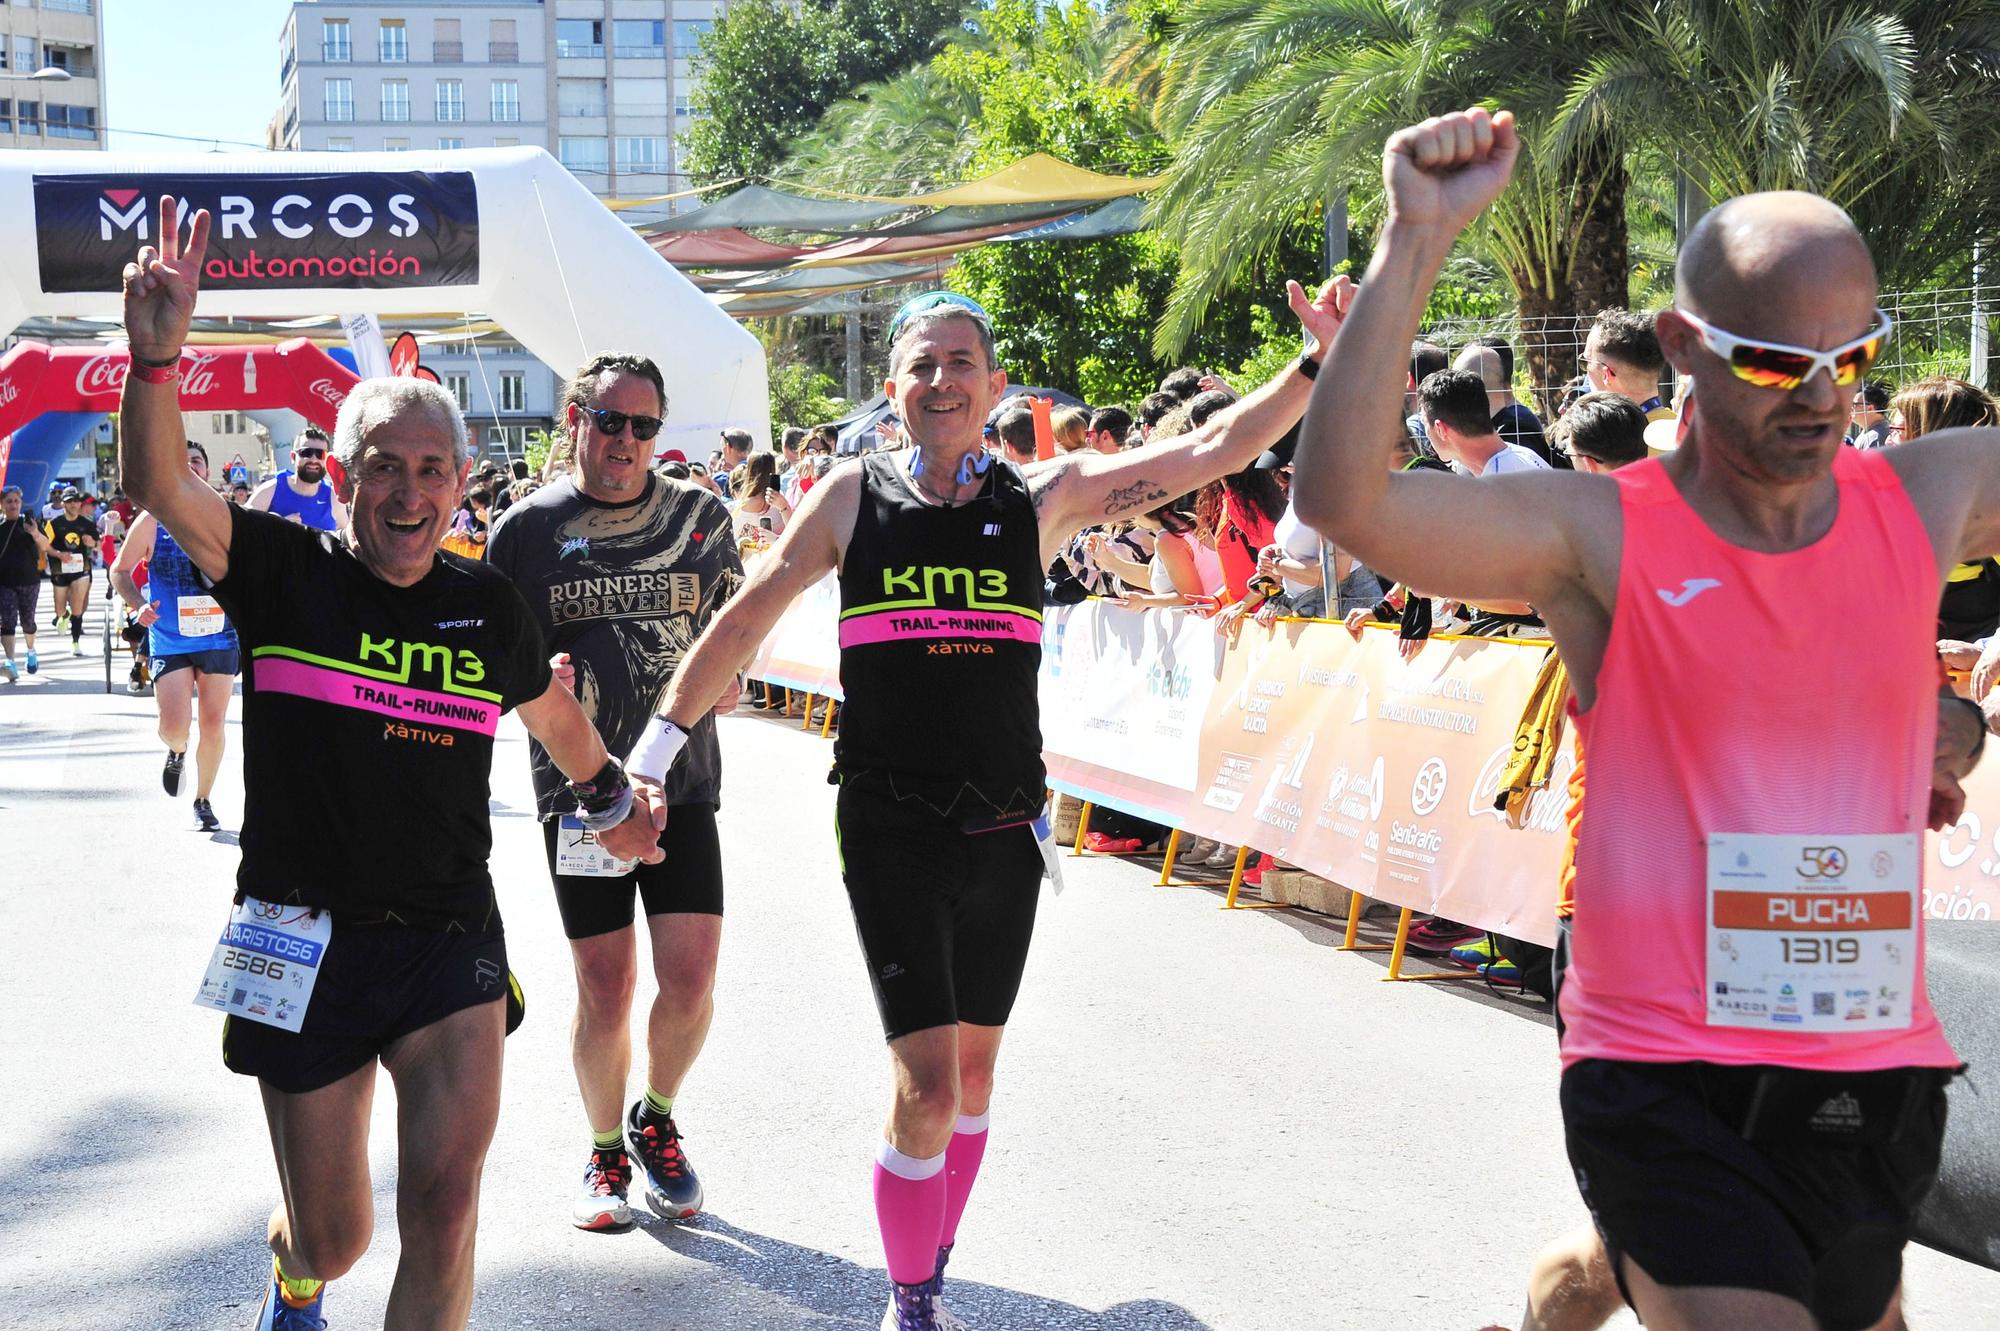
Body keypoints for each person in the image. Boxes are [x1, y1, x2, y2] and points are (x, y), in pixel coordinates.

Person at [1295, 106, 1983, 1331]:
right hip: (1665, 1066)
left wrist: (1953, 723)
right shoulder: (1598, 531)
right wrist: (1415, 239)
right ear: (1680, 343)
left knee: (1655, 1276)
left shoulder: (1924, 495)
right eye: (1775, 361)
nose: (1820, 396)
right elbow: (1343, 499)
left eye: (1853, 357)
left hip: (1865, 1055)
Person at [627, 280, 1349, 1330]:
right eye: (921, 363)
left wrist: (1315, 364)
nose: (940, 379)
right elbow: (744, 620)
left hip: (1007, 824)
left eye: (960, 361)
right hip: (887, 821)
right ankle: (911, 1298)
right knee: (922, 1084)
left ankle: (929, 1244)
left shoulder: (1043, 497)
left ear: (993, 383)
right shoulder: (847, 497)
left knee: (969, 1081)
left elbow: (1205, 453)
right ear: (892, 389)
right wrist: (653, 752)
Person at [116, 198, 667, 1331]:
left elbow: (561, 730)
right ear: (338, 471)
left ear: (460, 482)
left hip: (445, 941)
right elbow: (164, 486)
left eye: (431, 469)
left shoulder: (485, 607)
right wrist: (157, 360)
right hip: (296, 933)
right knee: (337, 1231)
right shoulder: (279, 570)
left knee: (447, 1208)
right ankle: (297, 1274)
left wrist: (618, 803)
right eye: (385, 467)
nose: (409, 493)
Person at [488, 352, 745, 1233]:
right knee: (605, 984)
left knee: (692, 977)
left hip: (685, 786)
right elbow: (496, 674)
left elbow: (731, 639)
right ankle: (603, 1149)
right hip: (580, 793)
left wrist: (731, 677)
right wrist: (539, 678)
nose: (626, 441)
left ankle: (655, 1116)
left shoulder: (703, 520)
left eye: (644, 426)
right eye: (610, 420)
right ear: (574, 420)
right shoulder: (525, 530)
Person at [111, 440, 242, 832]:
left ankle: (203, 799)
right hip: (170, 636)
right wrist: (137, 605)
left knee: (214, 722)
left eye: (197, 462)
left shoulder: (229, 516)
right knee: (173, 725)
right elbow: (120, 570)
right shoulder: (152, 520)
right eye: (180, 462)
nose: (189, 467)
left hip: (220, 636)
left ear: (207, 470)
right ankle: (178, 750)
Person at [0, 484, 55, 681]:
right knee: (7, 621)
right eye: (9, 501)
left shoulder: (30, 523)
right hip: (4, 582)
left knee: (27, 621)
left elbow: (46, 546)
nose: (13, 504)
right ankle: (10, 662)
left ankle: (31, 651)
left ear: (21, 503)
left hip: (29, 581)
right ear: (2, 505)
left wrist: (34, 533)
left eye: (16, 501)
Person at [1581, 310, 1673, 421]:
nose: (1586, 373)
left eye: (1586, 361)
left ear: (1607, 375)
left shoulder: (1612, 437)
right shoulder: (1679, 426)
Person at [249, 427, 346, 532]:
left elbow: (348, 538)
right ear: (293, 457)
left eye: (320, 454)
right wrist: (277, 526)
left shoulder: (333, 497)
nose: (313, 460)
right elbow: (241, 528)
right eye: (306, 453)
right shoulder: (270, 490)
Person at [43, 486, 99, 656]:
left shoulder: (87, 523)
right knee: (59, 609)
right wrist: (59, 554)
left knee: (77, 605)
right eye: (69, 501)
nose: (73, 504)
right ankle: (64, 616)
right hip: (60, 570)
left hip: (81, 569)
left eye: (76, 501)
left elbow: (99, 544)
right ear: (64, 504)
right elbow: (45, 545)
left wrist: (92, 543)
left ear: (79, 503)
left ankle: (75, 641)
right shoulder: (54, 524)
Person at [1852, 379, 1893, 449]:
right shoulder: (1870, 432)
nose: (1851, 408)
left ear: (1870, 408)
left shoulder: (1877, 437)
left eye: (1854, 404)